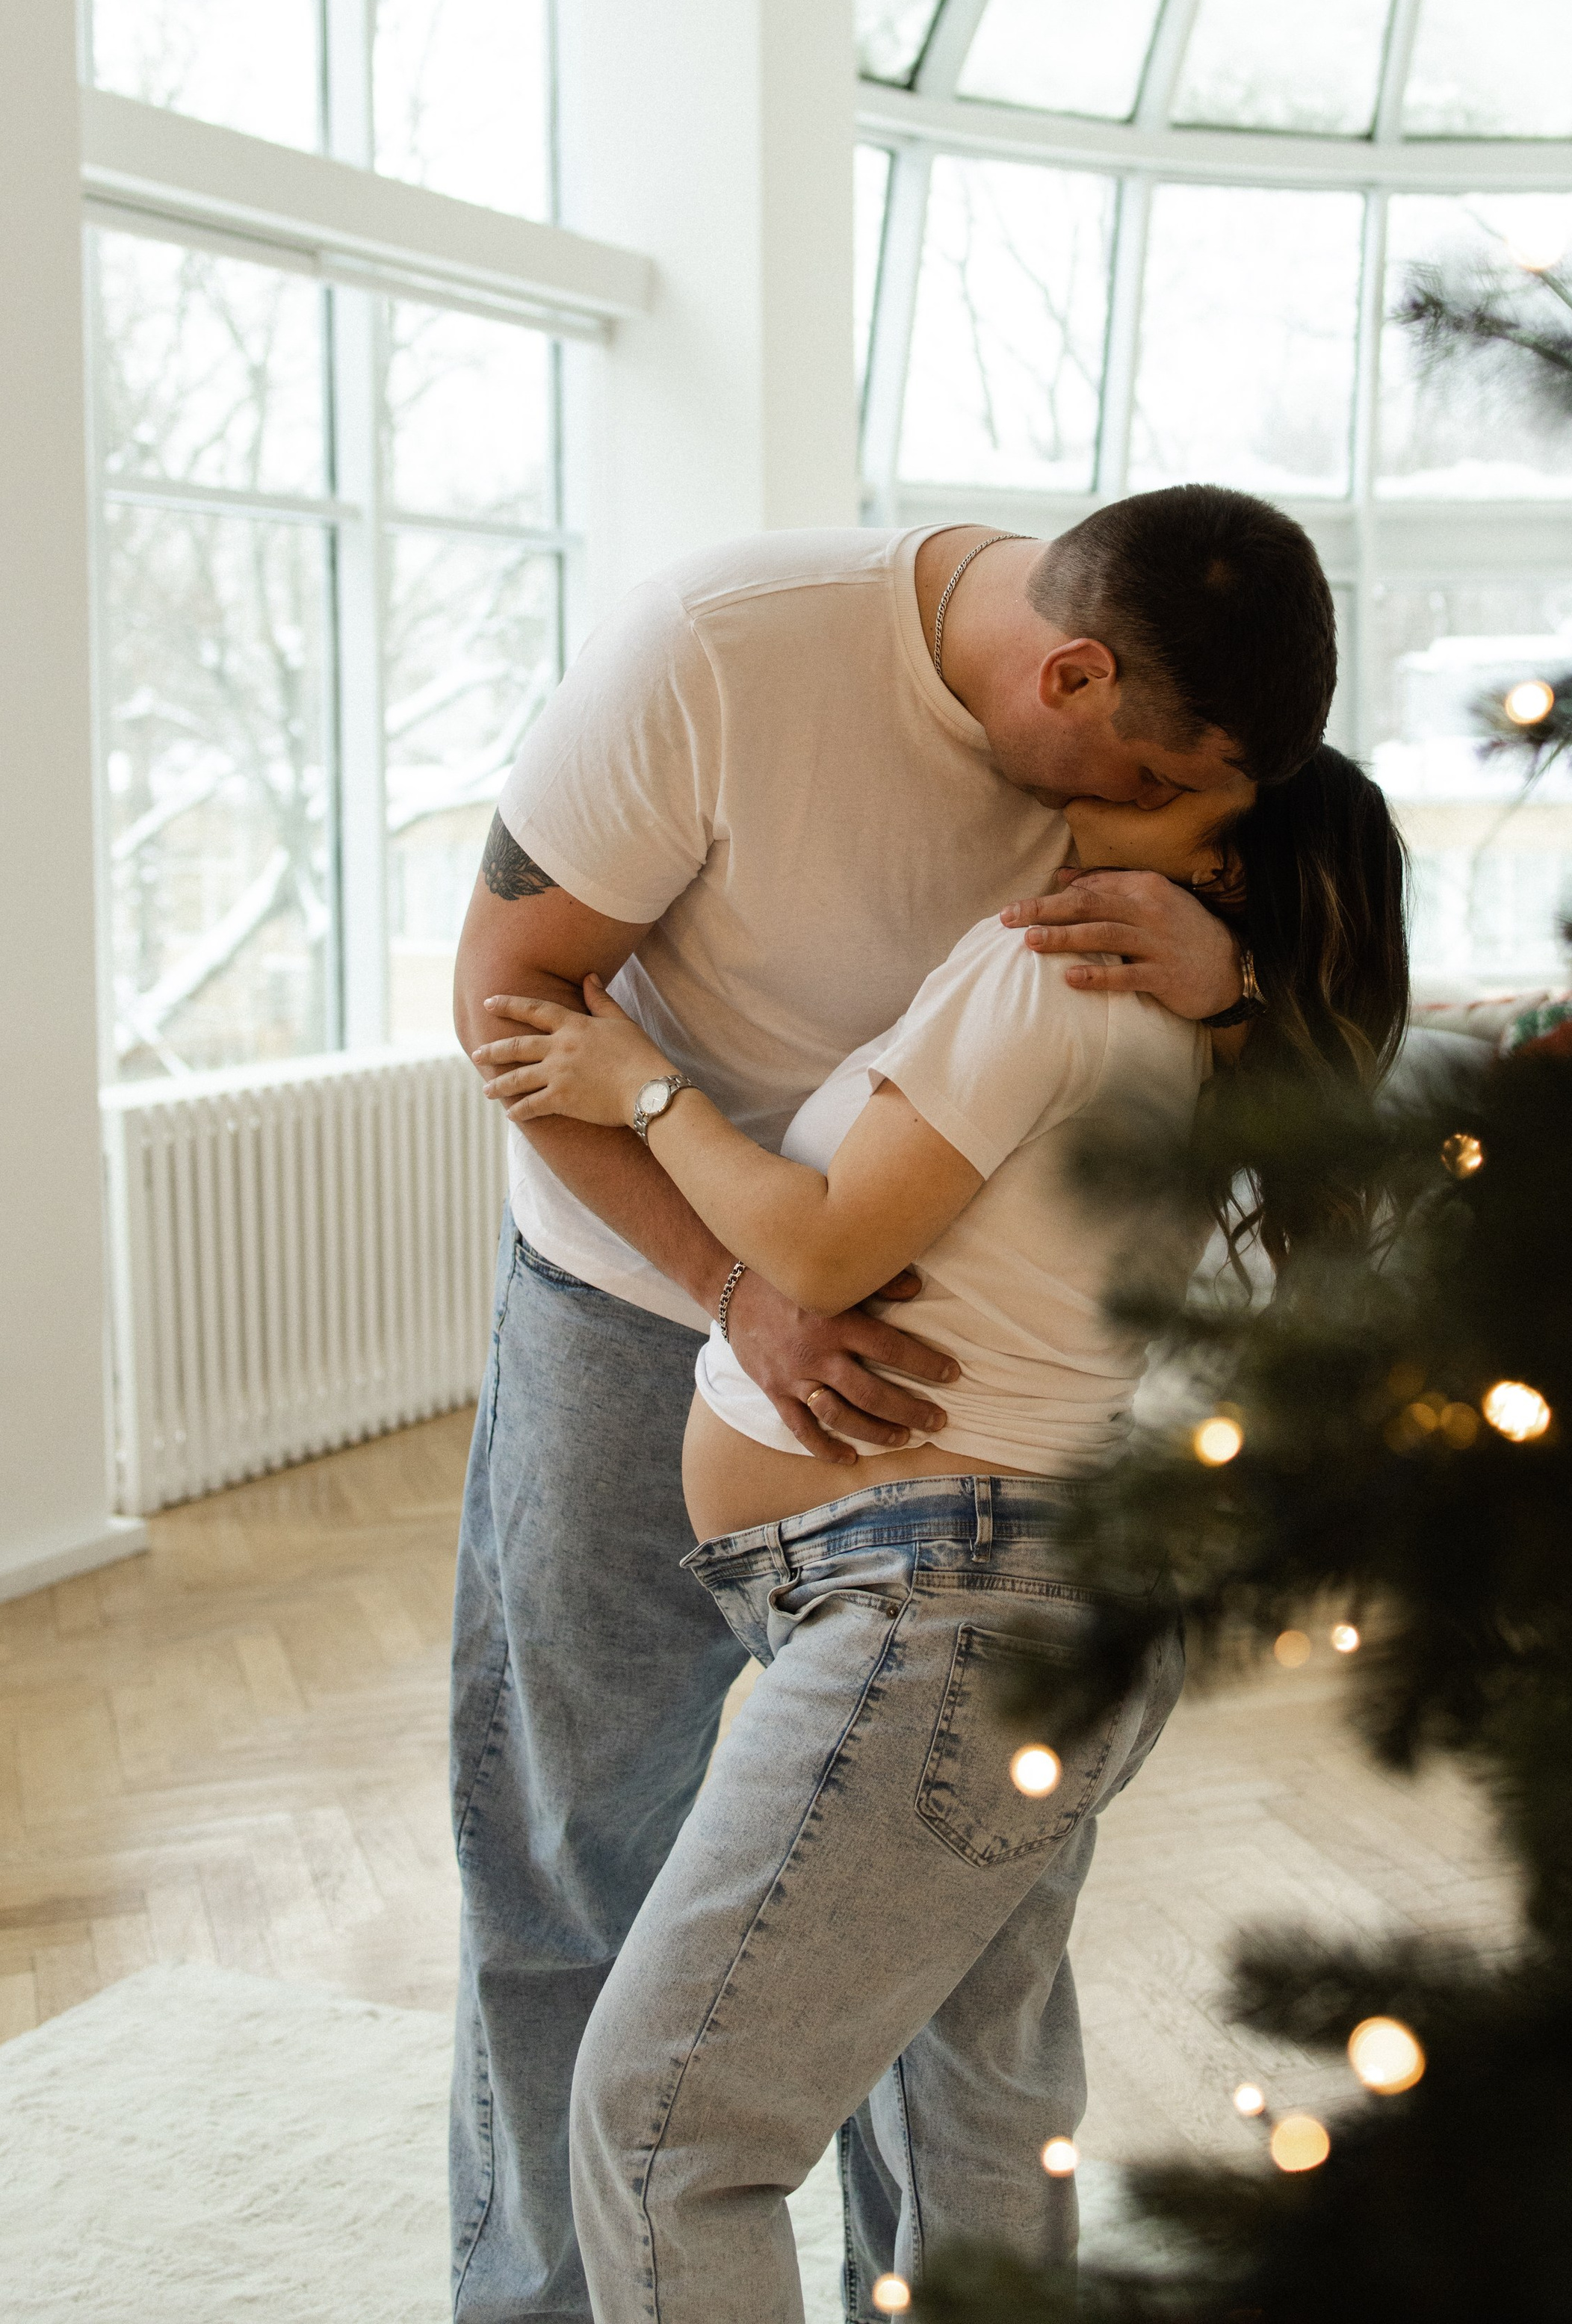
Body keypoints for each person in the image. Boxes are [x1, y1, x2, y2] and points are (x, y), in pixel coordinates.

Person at [448, 492, 1338, 2323]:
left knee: (945, 1956)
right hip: (641, 1303)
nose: (1147, 840)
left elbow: (1328, 926)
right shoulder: (724, 647)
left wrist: (1237, 980)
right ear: (1071, 674)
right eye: (1153, 782)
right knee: (577, 1859)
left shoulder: (1172, 723)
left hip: (961, 1462)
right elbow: (507, 994)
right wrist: (740, 1297)